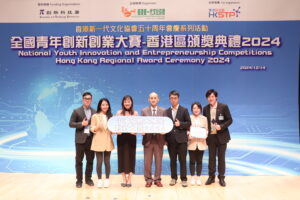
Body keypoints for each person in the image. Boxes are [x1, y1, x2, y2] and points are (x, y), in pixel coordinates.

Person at [203, 89, 233, 187]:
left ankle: (221, 177)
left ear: (216, 97)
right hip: (211, 137)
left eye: (212, 96)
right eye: (208, 97)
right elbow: (205, 123)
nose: (210, 98)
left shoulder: (223, 107)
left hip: (222, 136)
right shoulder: (205, 108)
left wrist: (221, 126)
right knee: (211, 158)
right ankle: (211, 177)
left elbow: (230, 120)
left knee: (221, 158)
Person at [69, 92, 96, 188]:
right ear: (83, 99)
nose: (87, 100)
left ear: (91, 100)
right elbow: (71, 124)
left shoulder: (95, 112)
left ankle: (88, 179)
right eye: (85, 98)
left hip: (91, 140)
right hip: (80, 140)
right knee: (79, 161)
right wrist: (81, 124)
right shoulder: (76, 111)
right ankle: (79, 181)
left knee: (90, 161)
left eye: (89, 98)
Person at [165, 90, 191, 187]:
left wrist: (180, 124)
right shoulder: (166, 111)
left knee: (182, 160)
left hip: (182, 140)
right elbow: (164, 126)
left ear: (178, 99)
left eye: (175, 98)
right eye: (171, 98)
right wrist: (164, 139)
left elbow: (189, 123)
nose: (173, 100)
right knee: (172, 160)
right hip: (170, 140)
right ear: (169, 99)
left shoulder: (184, 110)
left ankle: (184, 179)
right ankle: (173, 178)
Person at [141, 92, 165, 188]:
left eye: (155, 98)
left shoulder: (163, 111)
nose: (153, 99)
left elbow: (165, 125)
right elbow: (141, 124)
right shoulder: (144, 111)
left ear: (158, 99)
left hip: (159, 140)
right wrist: (141, 131)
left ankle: (157, 179)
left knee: (158, 161)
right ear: (149, 99)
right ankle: (148, 179)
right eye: (151, 98)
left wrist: (164, 133)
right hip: (148, 140)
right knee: (147, 162)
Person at [90, 98, 114, 188]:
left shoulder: (111, 116)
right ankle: (99, 180)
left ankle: (107, 179)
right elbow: (91, 128)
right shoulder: (95, 116)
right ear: (100, 105)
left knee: (107, 162)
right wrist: (97, 127)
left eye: (106, 104)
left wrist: (113, 131)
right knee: (99, 162)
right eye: (103, 104)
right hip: (98, 141)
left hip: (108, 141)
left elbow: (111, 130)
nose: (105, 106)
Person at [116, 95, 138, 187]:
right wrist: (117, 131)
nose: (127, 103)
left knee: (131, 157)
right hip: (121, 137)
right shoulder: (119, 112)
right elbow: (115, 126)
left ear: (131, 103)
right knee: (121, 157)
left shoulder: (135, 113)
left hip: (131, 138)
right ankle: (124, 179)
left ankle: (129, 180)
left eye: (129, 101)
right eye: (125, 101)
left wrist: (135, 132)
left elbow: (137, 127)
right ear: (123, 103)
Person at [187, 102, 208, 186]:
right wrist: (188, 134)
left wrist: (205, 135)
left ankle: (198, 178)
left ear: (200, 109)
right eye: (194, 108)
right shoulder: (189, 117)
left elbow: (206, 129)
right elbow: (186, 129)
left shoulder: (204, 118)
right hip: (191, 142)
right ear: (192, 109)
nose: (196, 110)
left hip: (201, 142)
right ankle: (192, 177)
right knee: (192, 161)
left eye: (198, 108)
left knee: (199, 161)